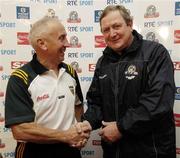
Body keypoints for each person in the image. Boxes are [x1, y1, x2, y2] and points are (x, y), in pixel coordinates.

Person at [82, 5, 176, 158]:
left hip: (151, 151)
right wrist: (88, 123)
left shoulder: (155, 53)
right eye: (106, 30)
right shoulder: (103, 63)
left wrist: (121, 128)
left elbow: (158, 103)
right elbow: (96, 102)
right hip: (114, 152)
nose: (112, 34)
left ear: (130, 24)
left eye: (116, 26)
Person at [5, 16, 91, 158]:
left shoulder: (70, 72)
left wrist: (78, 131)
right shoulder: (20, 78)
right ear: (42, 44)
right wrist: (65, 136)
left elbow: (77, 105)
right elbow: (20, 130)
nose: (67, 44)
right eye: (61, 38)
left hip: (70, 149)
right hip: (34, 152)